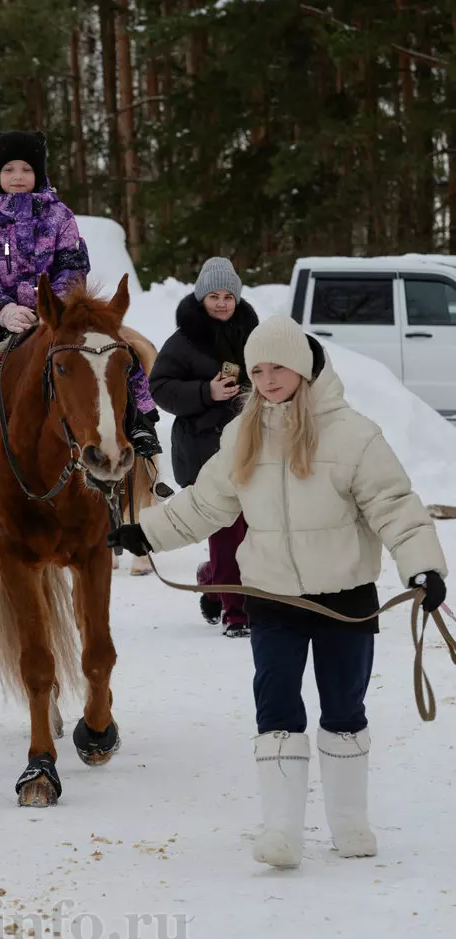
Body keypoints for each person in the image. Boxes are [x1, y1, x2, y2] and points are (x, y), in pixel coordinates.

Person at [110, 315, 447, 870]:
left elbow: (393, 506)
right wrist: (146, 533)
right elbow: (206, 503)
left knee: (344, 709)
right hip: (272, 599)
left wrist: (424, 569)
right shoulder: (242, 435)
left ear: (304, 368)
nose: (267, 380)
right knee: (277, 709)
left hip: (343, 598)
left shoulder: (354, 434)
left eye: (278, 368)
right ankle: (282, 830)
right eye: (258, 370)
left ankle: (349, 822)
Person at [0, 130, 161, 462]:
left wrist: (53, 309)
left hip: (56, 315)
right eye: (9, 169)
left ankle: (138, 423)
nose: (18, 176)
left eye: (26, 169)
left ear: (38, 173)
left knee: (116, 353)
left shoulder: (59, 216)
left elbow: (73, 265)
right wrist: (3, 308)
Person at [149, 257, 258, 638]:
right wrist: (205, 392)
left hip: (251, 445)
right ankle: (237, 612)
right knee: (227, 529)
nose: (222, 303)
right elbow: (159, 387)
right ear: (201, 298)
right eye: (214, 296)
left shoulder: (253, 333)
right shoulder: (184, 340)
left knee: (255, 528)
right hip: (204, 448)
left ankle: (213, 578)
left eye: (228, 296)